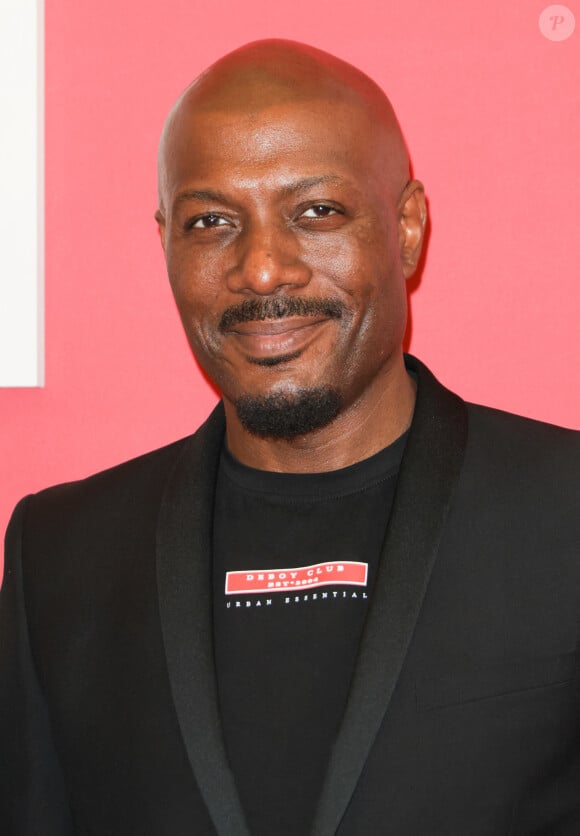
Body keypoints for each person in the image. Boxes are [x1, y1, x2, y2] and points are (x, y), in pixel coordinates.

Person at [1, 39, 579, 836]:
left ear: (405, 228)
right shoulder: (60, 553)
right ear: (165, 241)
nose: (263, 269)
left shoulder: (566, 513)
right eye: (211, 221)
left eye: (316, 212)